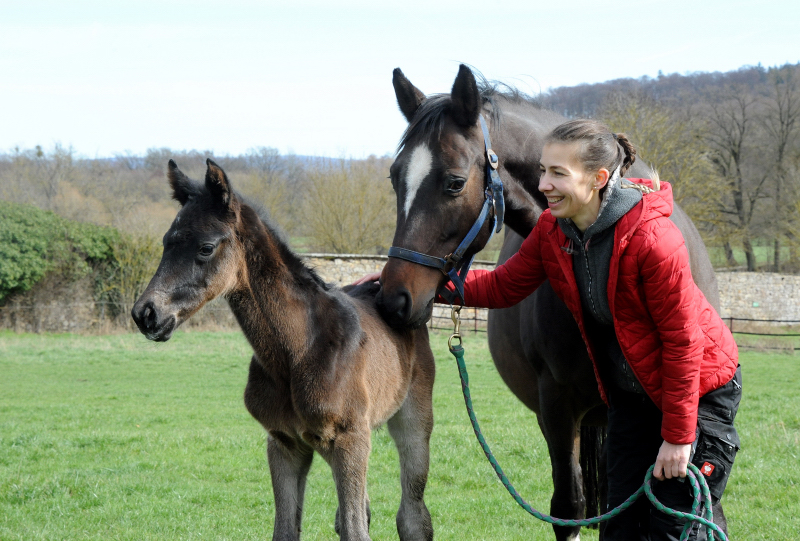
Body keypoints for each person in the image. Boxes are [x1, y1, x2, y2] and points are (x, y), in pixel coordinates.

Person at [357, 119, 741, 540]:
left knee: (678, 526)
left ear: (597, 179)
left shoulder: (653, 240)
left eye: (558, 173)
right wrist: (426, 283)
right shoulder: (553, 231)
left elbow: (683, 342)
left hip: (697, 393)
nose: (544, 184)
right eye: (543, 170)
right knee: (619, 530)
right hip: (634, 398)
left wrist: (680, 436)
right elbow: (504, 285)